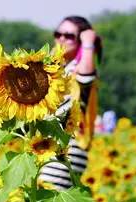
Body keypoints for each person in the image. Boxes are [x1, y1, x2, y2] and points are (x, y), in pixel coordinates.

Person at [39, 16, 102, 190]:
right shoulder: (61, 69)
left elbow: (86, 77)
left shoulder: (79, 68)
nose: (61, 39)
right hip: (49, 145)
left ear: (80, 40)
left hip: (68, 149)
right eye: (58, 34)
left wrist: (89, 42)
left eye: (69, 36)